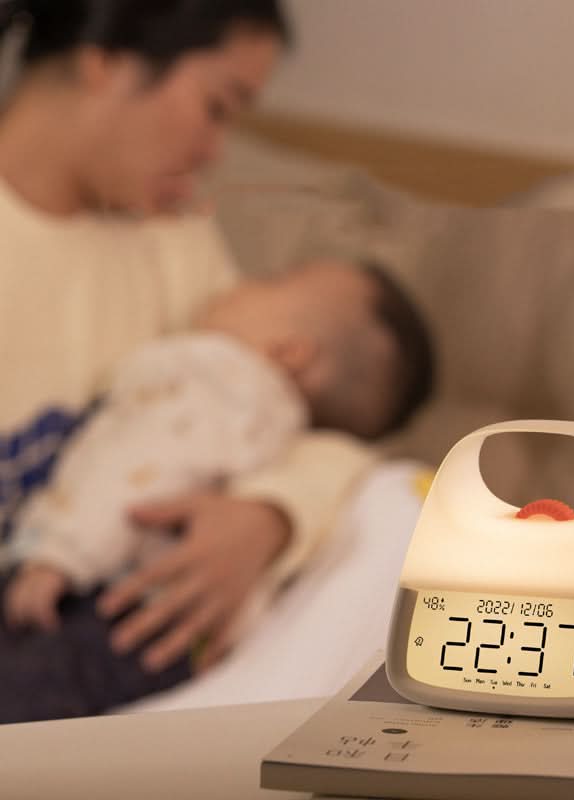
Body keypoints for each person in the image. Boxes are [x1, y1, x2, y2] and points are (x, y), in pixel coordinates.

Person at [0, 0, 395, 715]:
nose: (217, 150)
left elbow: (294, 413)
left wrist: (268, 519)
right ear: (105, 61)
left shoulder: (171, 243)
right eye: (218, 106)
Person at [0, 258, 434, 722]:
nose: (241, 281)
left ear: (291, 352)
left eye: (273, 279)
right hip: (160, 634)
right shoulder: (263, 420)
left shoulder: (224, 378)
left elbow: (134, 470)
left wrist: (60, 555)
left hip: (110, 599)